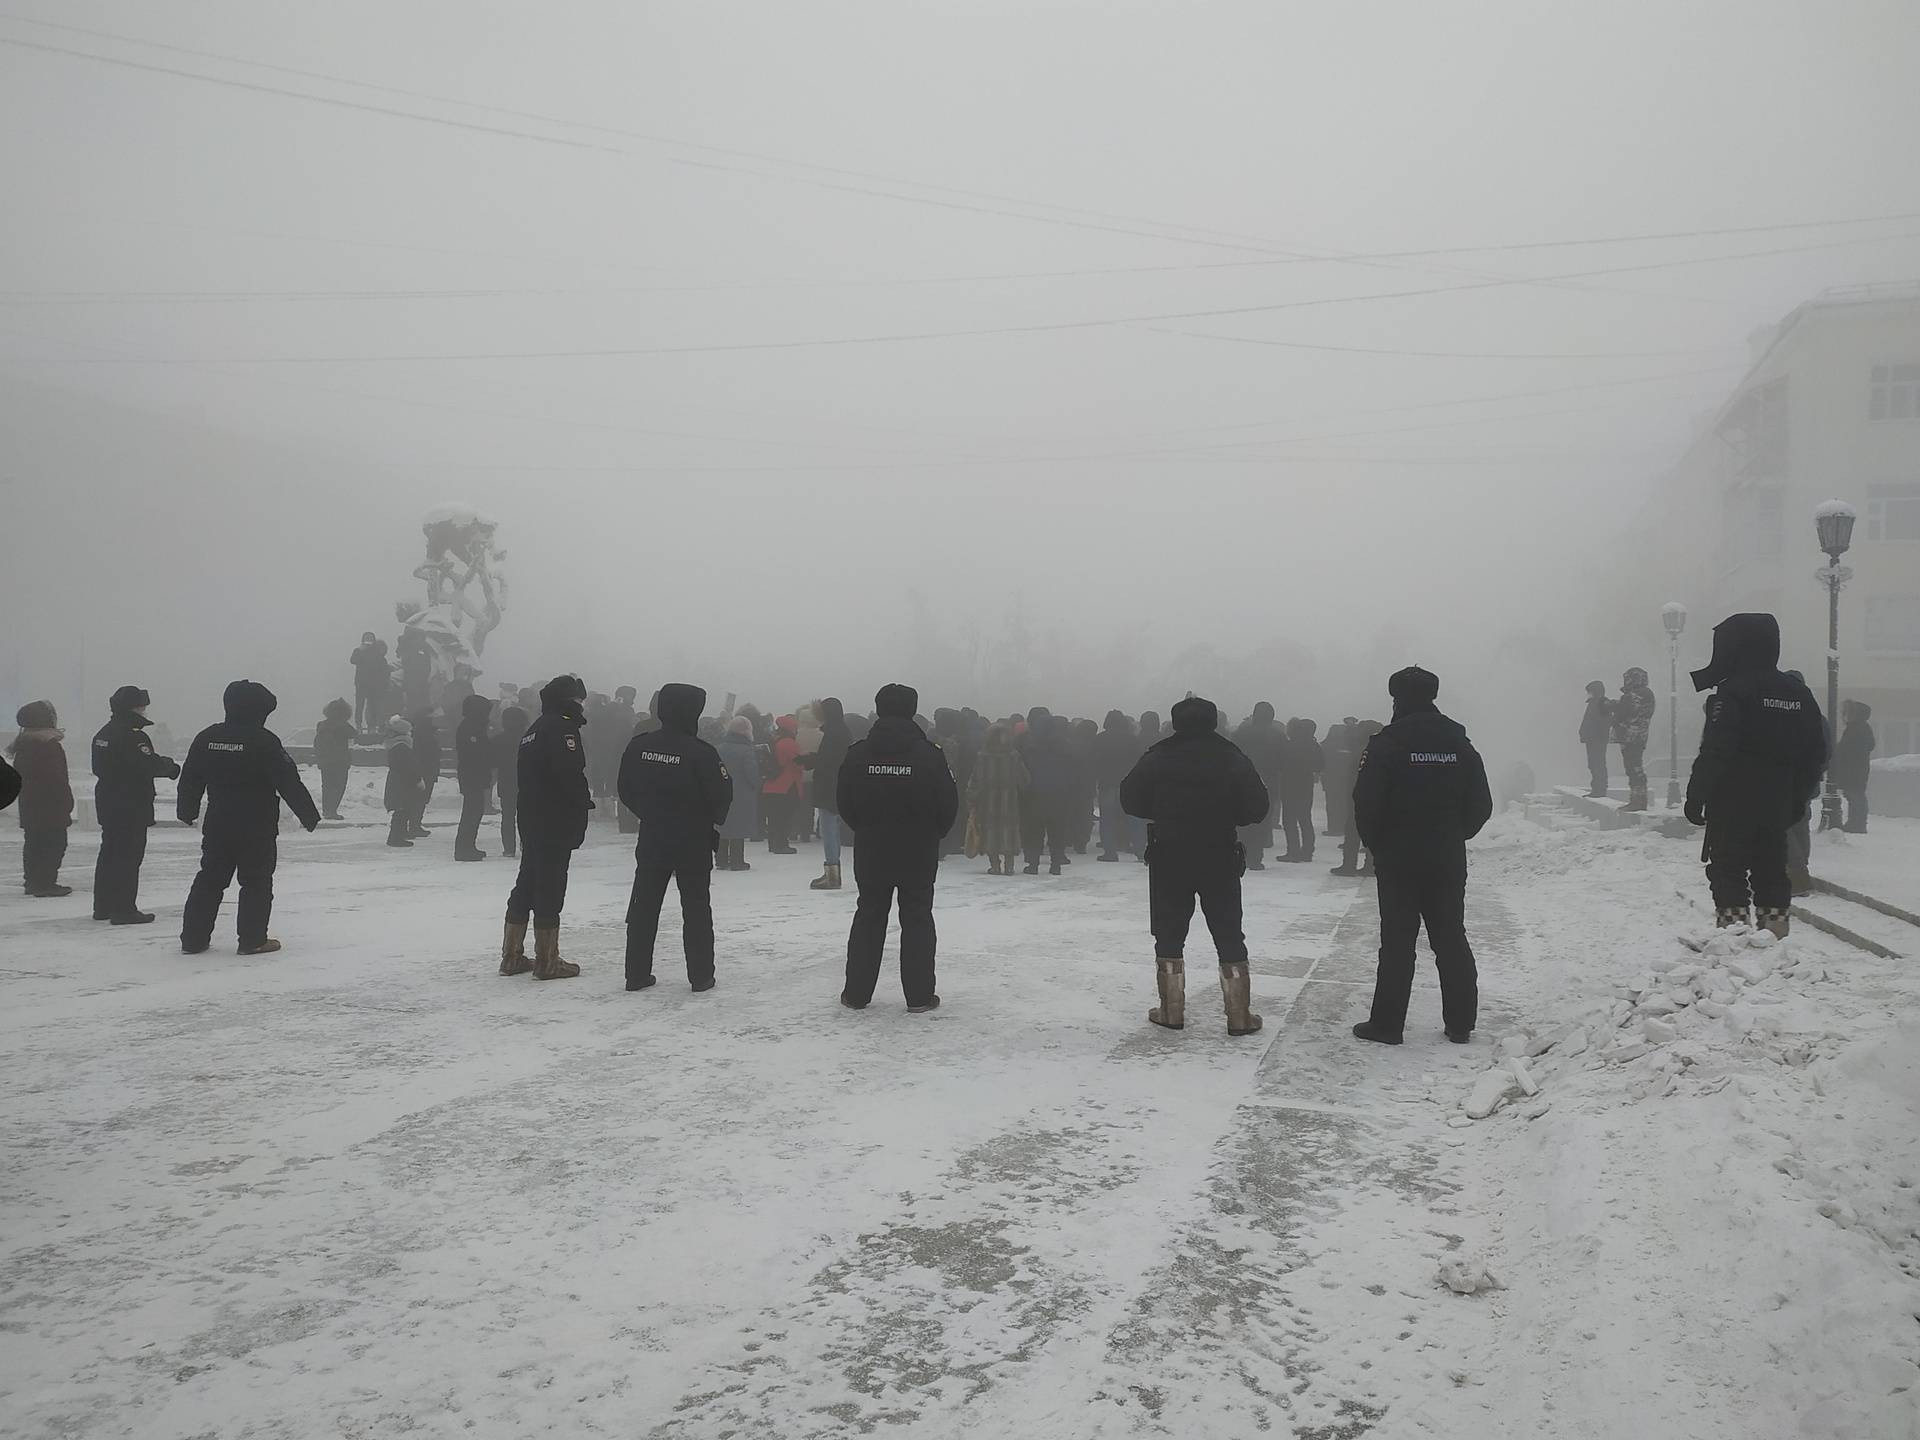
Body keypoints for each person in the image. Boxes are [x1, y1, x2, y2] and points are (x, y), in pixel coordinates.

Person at [1350, 667, 1493, 1046]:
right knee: (1450, 937)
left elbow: (1366, 803)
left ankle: (1387, 1024)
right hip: (1445, 855)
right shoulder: (1460, 742)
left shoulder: (1387, 743)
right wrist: (1453, 835)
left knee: (1397, 941)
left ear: (1396, 698)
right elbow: (1481, 803)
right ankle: (1460, 1023)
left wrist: (1380, 844)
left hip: (1398, 857)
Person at [1120, 696, 1270, 1035]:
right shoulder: (1231, 757)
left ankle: (1171, 1010)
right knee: (1229, 931)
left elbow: (1129, 797)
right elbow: (1257, 807)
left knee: (1169, 931)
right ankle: (1239, 1016)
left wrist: (1162, 810)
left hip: (1170, 852)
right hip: (1219, 852)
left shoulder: (1158, 756)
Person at [1685, 615, 1827, 937]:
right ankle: (1774, 935)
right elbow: (1816, 754)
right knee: (1772, 870)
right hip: (1776, 804)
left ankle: (1733, 935)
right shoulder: (1799, 693)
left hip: (1732, 802)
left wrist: (1697, 795)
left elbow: (1717, 750)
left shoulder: (1733, 691)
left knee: (1728, 870)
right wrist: (1797, 798)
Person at [838, 684, 959, 1012]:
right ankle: (920, 996)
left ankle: (857, 993)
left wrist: (865, 828)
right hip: (918, 847)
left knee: (869, 914)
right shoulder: (930, 755)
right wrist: (934, 833)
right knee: (918, 916)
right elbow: (948, 803)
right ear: (913, 710)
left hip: (871, 846)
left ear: (878, 709)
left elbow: (844, 801)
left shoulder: (858, 753)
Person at [177, 681, 321, 954]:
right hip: (256, 823)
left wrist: (187, 810)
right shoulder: (264, 741)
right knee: (256, 881)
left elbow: (191, 777)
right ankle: (252, 940)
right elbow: (288, 779)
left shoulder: (207, 737)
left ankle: (193, 939)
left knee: (210, 878)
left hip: (219, 821)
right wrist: (308, 814)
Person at [619, 683, 733, 992]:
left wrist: (650, 813)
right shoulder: (701, 752)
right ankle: (700, 975)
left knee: (644, 906)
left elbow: (625, 789)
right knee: (696, 908)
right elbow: (721, 795)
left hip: (653, 835)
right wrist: (703, 819)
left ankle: (636, 973)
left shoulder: (639, 746)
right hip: (692, 839)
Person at [500, 676, 592, 980]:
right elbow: (569, 775)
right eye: (579, 700)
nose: (581, 706)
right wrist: (582, 806)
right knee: (551, 884)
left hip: (530, 815)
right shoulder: (562, 729)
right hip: (554, 817)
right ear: (569, 701)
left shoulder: (534, 729)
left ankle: (511, 955)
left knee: (527, 881)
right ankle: (547, 960)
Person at [91, 685, 182, 923]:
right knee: (128, 857)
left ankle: (103, 906)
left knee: (109, 853)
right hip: (130, 804)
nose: (144, 710)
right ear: (133, 707)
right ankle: (124, 909)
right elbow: (146, 764)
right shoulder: (133, 735)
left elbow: (99, 767)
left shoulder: (104, 732)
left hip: (108, 801)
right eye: (141, 706)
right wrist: (170, 767)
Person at [12, 701, 75, 898]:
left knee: (34, 843)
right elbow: (56, 778)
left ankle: (33, 880)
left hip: (31, 804)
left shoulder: (24, 744)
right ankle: (45, 882)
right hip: (50, 805)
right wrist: (66, 801)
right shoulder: (47, 745)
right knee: (54, 843)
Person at [967, 722, 1030, 875]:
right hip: (1009, 802)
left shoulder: (983, 756)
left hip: (987, 801)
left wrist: (971, 796)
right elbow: (1024, 779)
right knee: (1009, 831)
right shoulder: (1013, 756)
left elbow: (975, 779)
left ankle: (995, 865)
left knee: (990, 831)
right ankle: (1009, 866)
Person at [1231, 703, 1286, 870]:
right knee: (1263, 820)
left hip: (1242, 779)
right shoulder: (1278, 736)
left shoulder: (1241, 733)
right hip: (1269, 780)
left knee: (1241, 819)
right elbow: (1283, 760)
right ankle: (1255, 857)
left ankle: (1240, 853)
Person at [804, 696, 852, 890]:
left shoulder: (833, 733)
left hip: (829, 786)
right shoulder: (841, 730)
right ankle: (832, 871)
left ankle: (832, 873)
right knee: (832, 828)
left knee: (829, 829)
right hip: (837, 784)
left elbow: (829, 761)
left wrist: (811, 761)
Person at [1021, 715, 1077, 875]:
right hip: (1059, 794)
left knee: (1034, 831)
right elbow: (1072, 770)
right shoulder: (1064, 745)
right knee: (1057, 831)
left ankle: (1033, 864)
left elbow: (1024, 770)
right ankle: (1056, 864)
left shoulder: (1030, 745)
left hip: (1034, 794)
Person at [1329, 720, 1382, 877]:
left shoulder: (1362, 751)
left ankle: (1349, 865)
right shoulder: (1380, 750)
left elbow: (1357, 775)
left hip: (1359, 796)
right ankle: (1369, 865)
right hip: (1374, 797)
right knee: (1371, 831)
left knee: (1352, 831)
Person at [1091, 710, 1142, 862]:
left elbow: (1094, 761)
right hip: (1129, 784)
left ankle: (1110, 852)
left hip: (1107, 783)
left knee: (1107, 820)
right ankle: (1140, 850)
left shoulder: (1100, 739)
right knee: (1133, 819)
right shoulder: (1132, 740)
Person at [453, 693, 495, 861]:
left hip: (475, 774)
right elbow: (475, 752)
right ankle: (464, 848)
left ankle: (469, 845)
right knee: (471, 812)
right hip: (472, 775)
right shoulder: (470, 727)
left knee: (475, 811)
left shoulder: (475, 726)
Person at [715, 716, 761, 872]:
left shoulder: (719, 748)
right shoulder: (747, 750)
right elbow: (751, 773)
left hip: (721, 791)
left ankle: (721, 859)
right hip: (741, 793)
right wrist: (757, 784)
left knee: (723, 825)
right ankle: (737, 860)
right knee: (738, 827)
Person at [1612, 668, 1656, 811]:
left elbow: (1626, 710)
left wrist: (1614, 706)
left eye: (1629, 679)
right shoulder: (1644, 694)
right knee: (1632, 767)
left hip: (1632, 735)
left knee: (1634, 768)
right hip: (1635, 735)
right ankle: (1637, 800)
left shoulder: (1638, 694)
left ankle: (1638, 801)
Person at [1279, 716, 1323, 862]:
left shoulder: (1289, 744)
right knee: (1305, 819)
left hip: (1289, 785)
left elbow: (1280, 763)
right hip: (1306, 785)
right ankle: (1307, 852)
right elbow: (1320, 766)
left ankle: (1293, 851)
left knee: (1289, 820)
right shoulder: (1314, 745)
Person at [760, 715, 803, 855]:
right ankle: (782, 844)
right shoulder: (789, 743)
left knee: (773, 817)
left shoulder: (774, 741)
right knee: (784, 817)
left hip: (771, 784)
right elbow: (799, 764)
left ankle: (773, 844)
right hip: (786, 786)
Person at [1833, 700, 1875, 834]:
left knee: (1855, 795)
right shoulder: (1860, 728)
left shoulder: (1857, 729)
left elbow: (1848, 749)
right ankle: (1856, 822)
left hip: (1854, 769)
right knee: (1854, 795)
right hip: (1856, 769)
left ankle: (1857, 823)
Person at [493, 706, 529, 858]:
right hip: (527, 781)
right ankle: (526, 845)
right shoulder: (529, 737)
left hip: (506, 781)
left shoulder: (498, 739)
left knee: (507, 816)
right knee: (526, 816)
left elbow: (492, 761)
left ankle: (508, 848)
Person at [383, 717, 425, 847]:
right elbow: (408, 766)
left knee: (402, 808)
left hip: (398, 780)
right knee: (402, 809)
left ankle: (399, 834)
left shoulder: (396, 745)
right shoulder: (402, 747)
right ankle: (395, 837)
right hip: (403, 782)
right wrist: (417, 779)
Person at [313, 698, 354, 820]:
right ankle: (332, 811)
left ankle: (327, 811)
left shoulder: (321, 725)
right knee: (339, 786)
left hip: (325, 761)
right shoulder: (343, 726)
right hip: (340, 761)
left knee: (327, 786)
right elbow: (354, 733)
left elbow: (317, 744)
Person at [410, 708, 442, 837]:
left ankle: (415, 824)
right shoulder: (422, 733)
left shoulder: (424, 732)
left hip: (428, 769)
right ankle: (414, 825)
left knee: (421, 799)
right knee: (419, 799)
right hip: (425, 770)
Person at [350, 632, 390, 734]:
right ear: (362, 640)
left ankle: (371, 726)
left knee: (372, 705)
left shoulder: (377, 653)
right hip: (361, 684)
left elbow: (383, 667)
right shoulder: (359, 651)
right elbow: (353, 660)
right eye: (366, 638)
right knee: (360, 705)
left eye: (370, 639)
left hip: (373, 685)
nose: (368, 641)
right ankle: (358, 725)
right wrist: (360, 649)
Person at [1579, 682, 1613, 798]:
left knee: (1597, 763)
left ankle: (1599, 790)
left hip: (1597, 739)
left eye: (1589, 691)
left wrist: (1592, 733)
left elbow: (1605, 721)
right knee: (1593, 764)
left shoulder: (1602, 703)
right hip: (1592, 738)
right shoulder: (1594, 703)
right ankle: (1597, 789)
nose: (1588, 694)